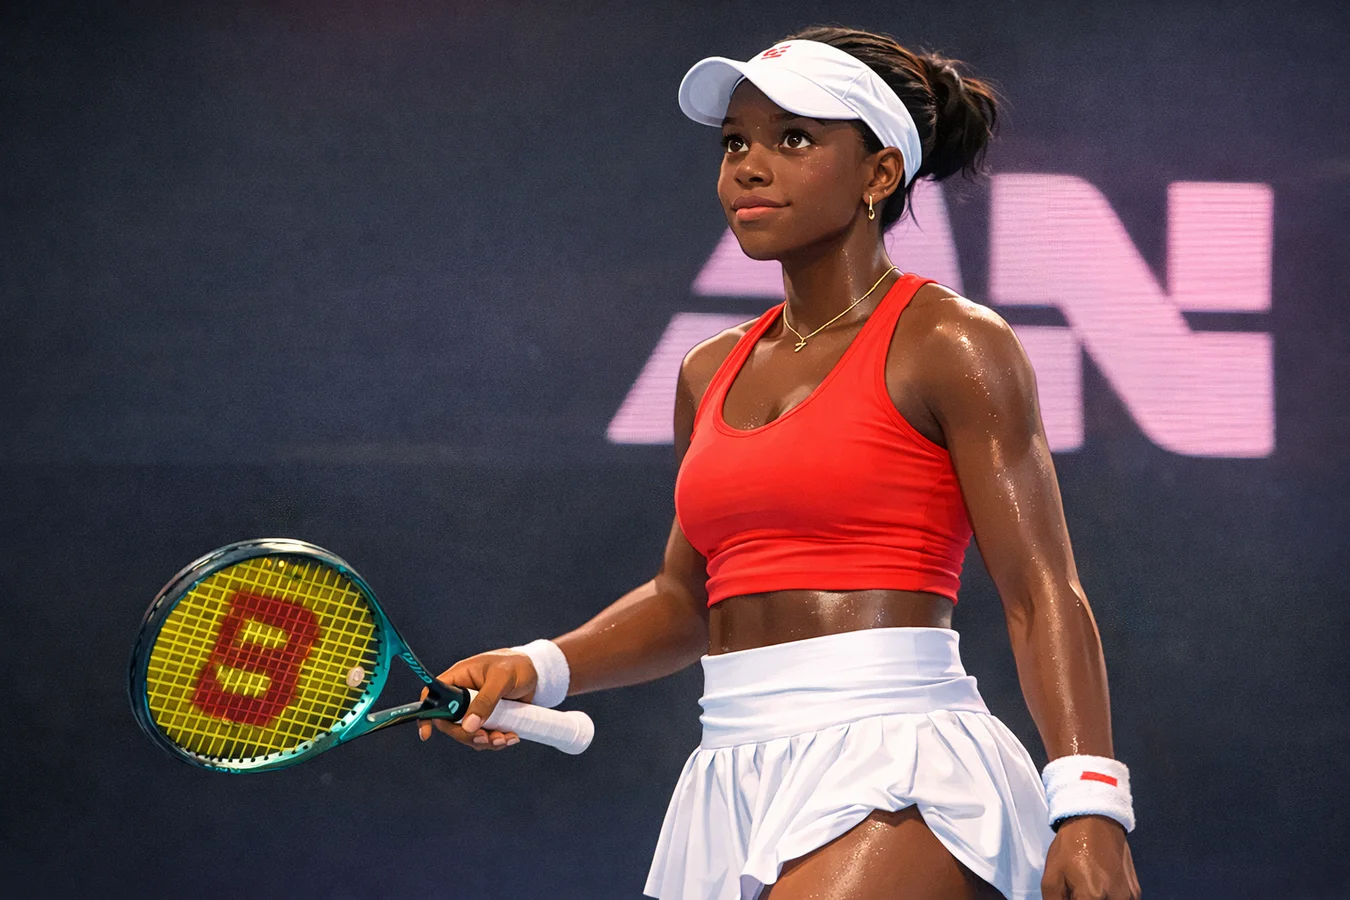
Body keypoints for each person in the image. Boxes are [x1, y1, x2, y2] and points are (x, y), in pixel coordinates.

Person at [418, 25, 1141, 900]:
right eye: (735, 143)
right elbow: (686, 599)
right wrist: (539, 665)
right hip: (727, 772)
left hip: (900, 755)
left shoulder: (952, 341)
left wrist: (1090, 803)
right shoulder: (706, 369)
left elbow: (1040, 593)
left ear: (879, 174)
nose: (749, 168)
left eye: (793, 139)